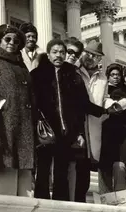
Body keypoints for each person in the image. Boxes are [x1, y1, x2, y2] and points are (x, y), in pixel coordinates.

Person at [31, 39, 113, 201]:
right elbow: (32, 102)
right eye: (55, 52)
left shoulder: (72, 75)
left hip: (66, 131)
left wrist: (104, 111)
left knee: (62, 170)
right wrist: (37, 121)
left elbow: (82, 104)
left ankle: (60, 204)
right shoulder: (37, 74)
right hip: (46, 128)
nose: (59, 55)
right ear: (48, 54)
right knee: (44, 168)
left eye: (62, 52)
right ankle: (41, 201)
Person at [0, 24, 36, 197]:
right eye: (7, 39)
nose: (12, 43)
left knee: (25, 184)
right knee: (6, 175)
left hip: (24, 127)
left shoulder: (21, 65)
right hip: (4, 125)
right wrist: (3, 106)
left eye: (16, 41)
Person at [74, 41, 111, 195]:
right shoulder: (74, 71)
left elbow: (103, 99)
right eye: (88, 53)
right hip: (76, 125)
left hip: (93, 126)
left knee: (85, 173)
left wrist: (111, 104)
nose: (90, 57)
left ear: (99, 59)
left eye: (95, 56)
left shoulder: (103, 79)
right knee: (73, 166)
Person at [63, 37, 90, 202]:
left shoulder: (77, 76)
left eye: (76, 53)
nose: (73, 55)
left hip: (74, 131)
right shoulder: (49, 72)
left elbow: (83, 106)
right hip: (53, 131)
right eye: (69, 51)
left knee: (75, 171)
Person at [98, 63, 126, 193]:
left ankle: (120, 195)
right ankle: (105, 195)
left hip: (120, 132)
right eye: (113, 75)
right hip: (105, 131)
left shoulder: (125, 90)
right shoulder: (104, 88)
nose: (116, 77)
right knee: (104, 165)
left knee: (119, 165)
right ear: (108, 76)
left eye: (118, 75)